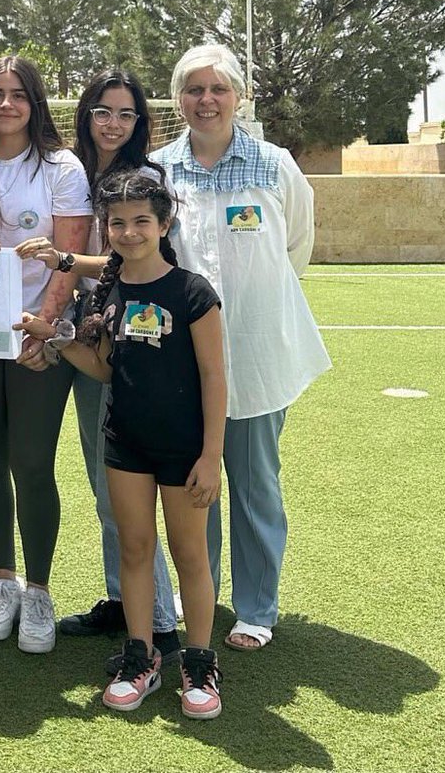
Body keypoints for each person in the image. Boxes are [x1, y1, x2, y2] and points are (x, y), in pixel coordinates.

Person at [18, 170, 227, 719]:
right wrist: (57, 338)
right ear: (105, 228)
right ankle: (142, 656)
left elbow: (214, 377)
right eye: (118, 222)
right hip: (126, 446)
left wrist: (211, 456)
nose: (129, 232)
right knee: (134, 549)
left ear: (164, 224)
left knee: (190, 557)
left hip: (184, 453)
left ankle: (200, 665)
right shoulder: (110, 293)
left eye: (142, 221)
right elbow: (106, 370)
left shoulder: (193, 294)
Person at [151, 43, 330, 651]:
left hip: (256, 356)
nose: (207, 101)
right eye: (194, 90)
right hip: (181, 363)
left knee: (254, 483)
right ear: (179, 100)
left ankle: (256, 607)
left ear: (238, 96)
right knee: (195, 485)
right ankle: (201, 589)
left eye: (218, 89)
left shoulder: (275, 165)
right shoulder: (159, 171)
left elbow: (296, 248)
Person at [0, 56, 91, 653]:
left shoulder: (62, 167)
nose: (6, 105)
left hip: (38, 334)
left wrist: (48, 326)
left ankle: (39, 590)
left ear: (35, 104)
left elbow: (69, 251)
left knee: (32, 462)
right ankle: (3, 581)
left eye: (18, 95)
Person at [48, 70, 183, 659]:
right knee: (105, 481)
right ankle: (124, 600)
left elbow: (122, 256)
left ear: (140, 122)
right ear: (86, 114)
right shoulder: (71, 172)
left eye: (126, 114)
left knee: (125, 484)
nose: (113, 123)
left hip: (128, 345)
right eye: (103, 111)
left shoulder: (145, 180)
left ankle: (158, 617)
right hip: (86, 340)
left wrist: (60, 258)